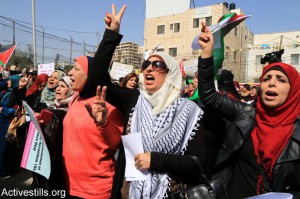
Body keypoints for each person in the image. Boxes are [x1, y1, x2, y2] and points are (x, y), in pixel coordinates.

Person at [87, 5, 215, 198]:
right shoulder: (134, 99)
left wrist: (156, 160)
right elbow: (97, 78)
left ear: (171, 73)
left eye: (157, 65)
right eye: (146, 65)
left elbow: (198, 162)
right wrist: (111, 34)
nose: (148, 69)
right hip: (130, 192)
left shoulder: (188, 110)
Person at [198, 21, 300, 198]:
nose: (272, 82)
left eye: (281, 80)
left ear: (293, 90)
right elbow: (209, 96)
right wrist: (207, 53)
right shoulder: (246, 113)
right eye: (267, 78)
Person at [62, 49, 124, 197]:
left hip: (96, 190)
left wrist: (104, 122)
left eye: (76, 69)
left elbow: (116, 143)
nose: (70, 73)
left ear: (92, 75)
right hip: (70, 185)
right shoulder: (76, 98)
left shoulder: (107, 104)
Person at [30, 76, 74, 197]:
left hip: (59, 163)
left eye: (63, 86)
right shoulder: (51, 107)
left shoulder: (72, 112)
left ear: (72, 91)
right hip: (42, 160)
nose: (57, 89)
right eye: (57, 86)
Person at [0, 75, 27, 176]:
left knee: (8, 148)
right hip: (2, 122)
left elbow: (17, 110)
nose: (8, 81)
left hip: (9, 124)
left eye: (10, 80)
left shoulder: (16, 93)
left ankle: (7, 170)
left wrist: (3, 110)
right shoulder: (7, 92)